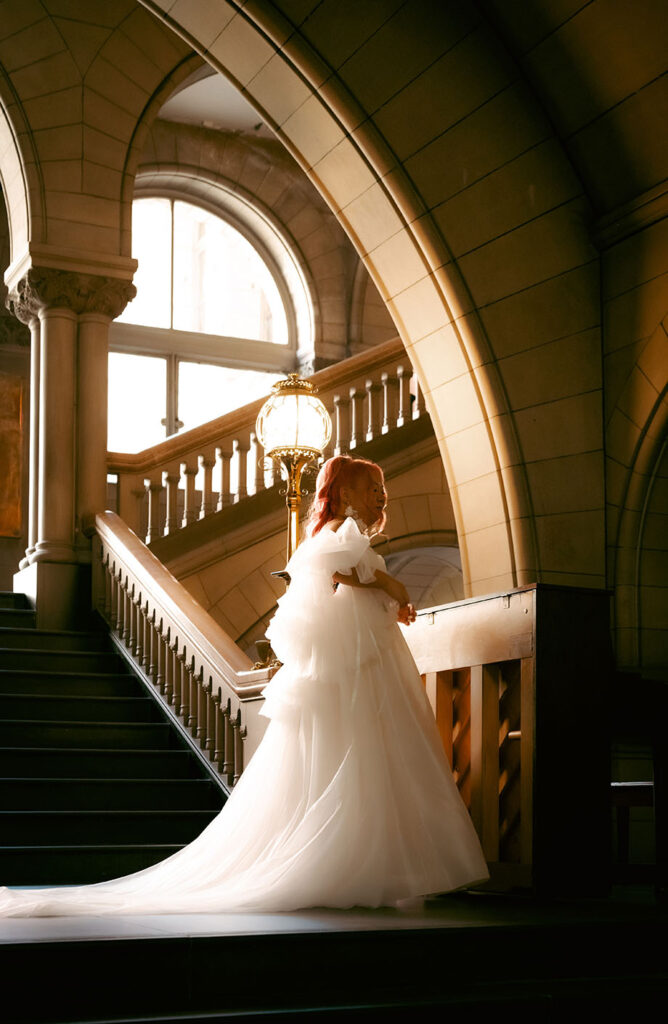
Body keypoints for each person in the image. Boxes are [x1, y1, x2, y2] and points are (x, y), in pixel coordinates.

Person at [0, 456, 488, 917]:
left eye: (384, 489)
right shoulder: (343, 535)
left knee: (362, 753)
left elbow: (347, 584)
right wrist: (391, 588)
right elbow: (346, 578)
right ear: (343, 494)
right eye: (372, 488)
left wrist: (387, 596)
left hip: (360, 658)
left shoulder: (336, 536)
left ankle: (368, 863)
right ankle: (355, 864)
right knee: (362, 751)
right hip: (358, 664)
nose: (382, 496)